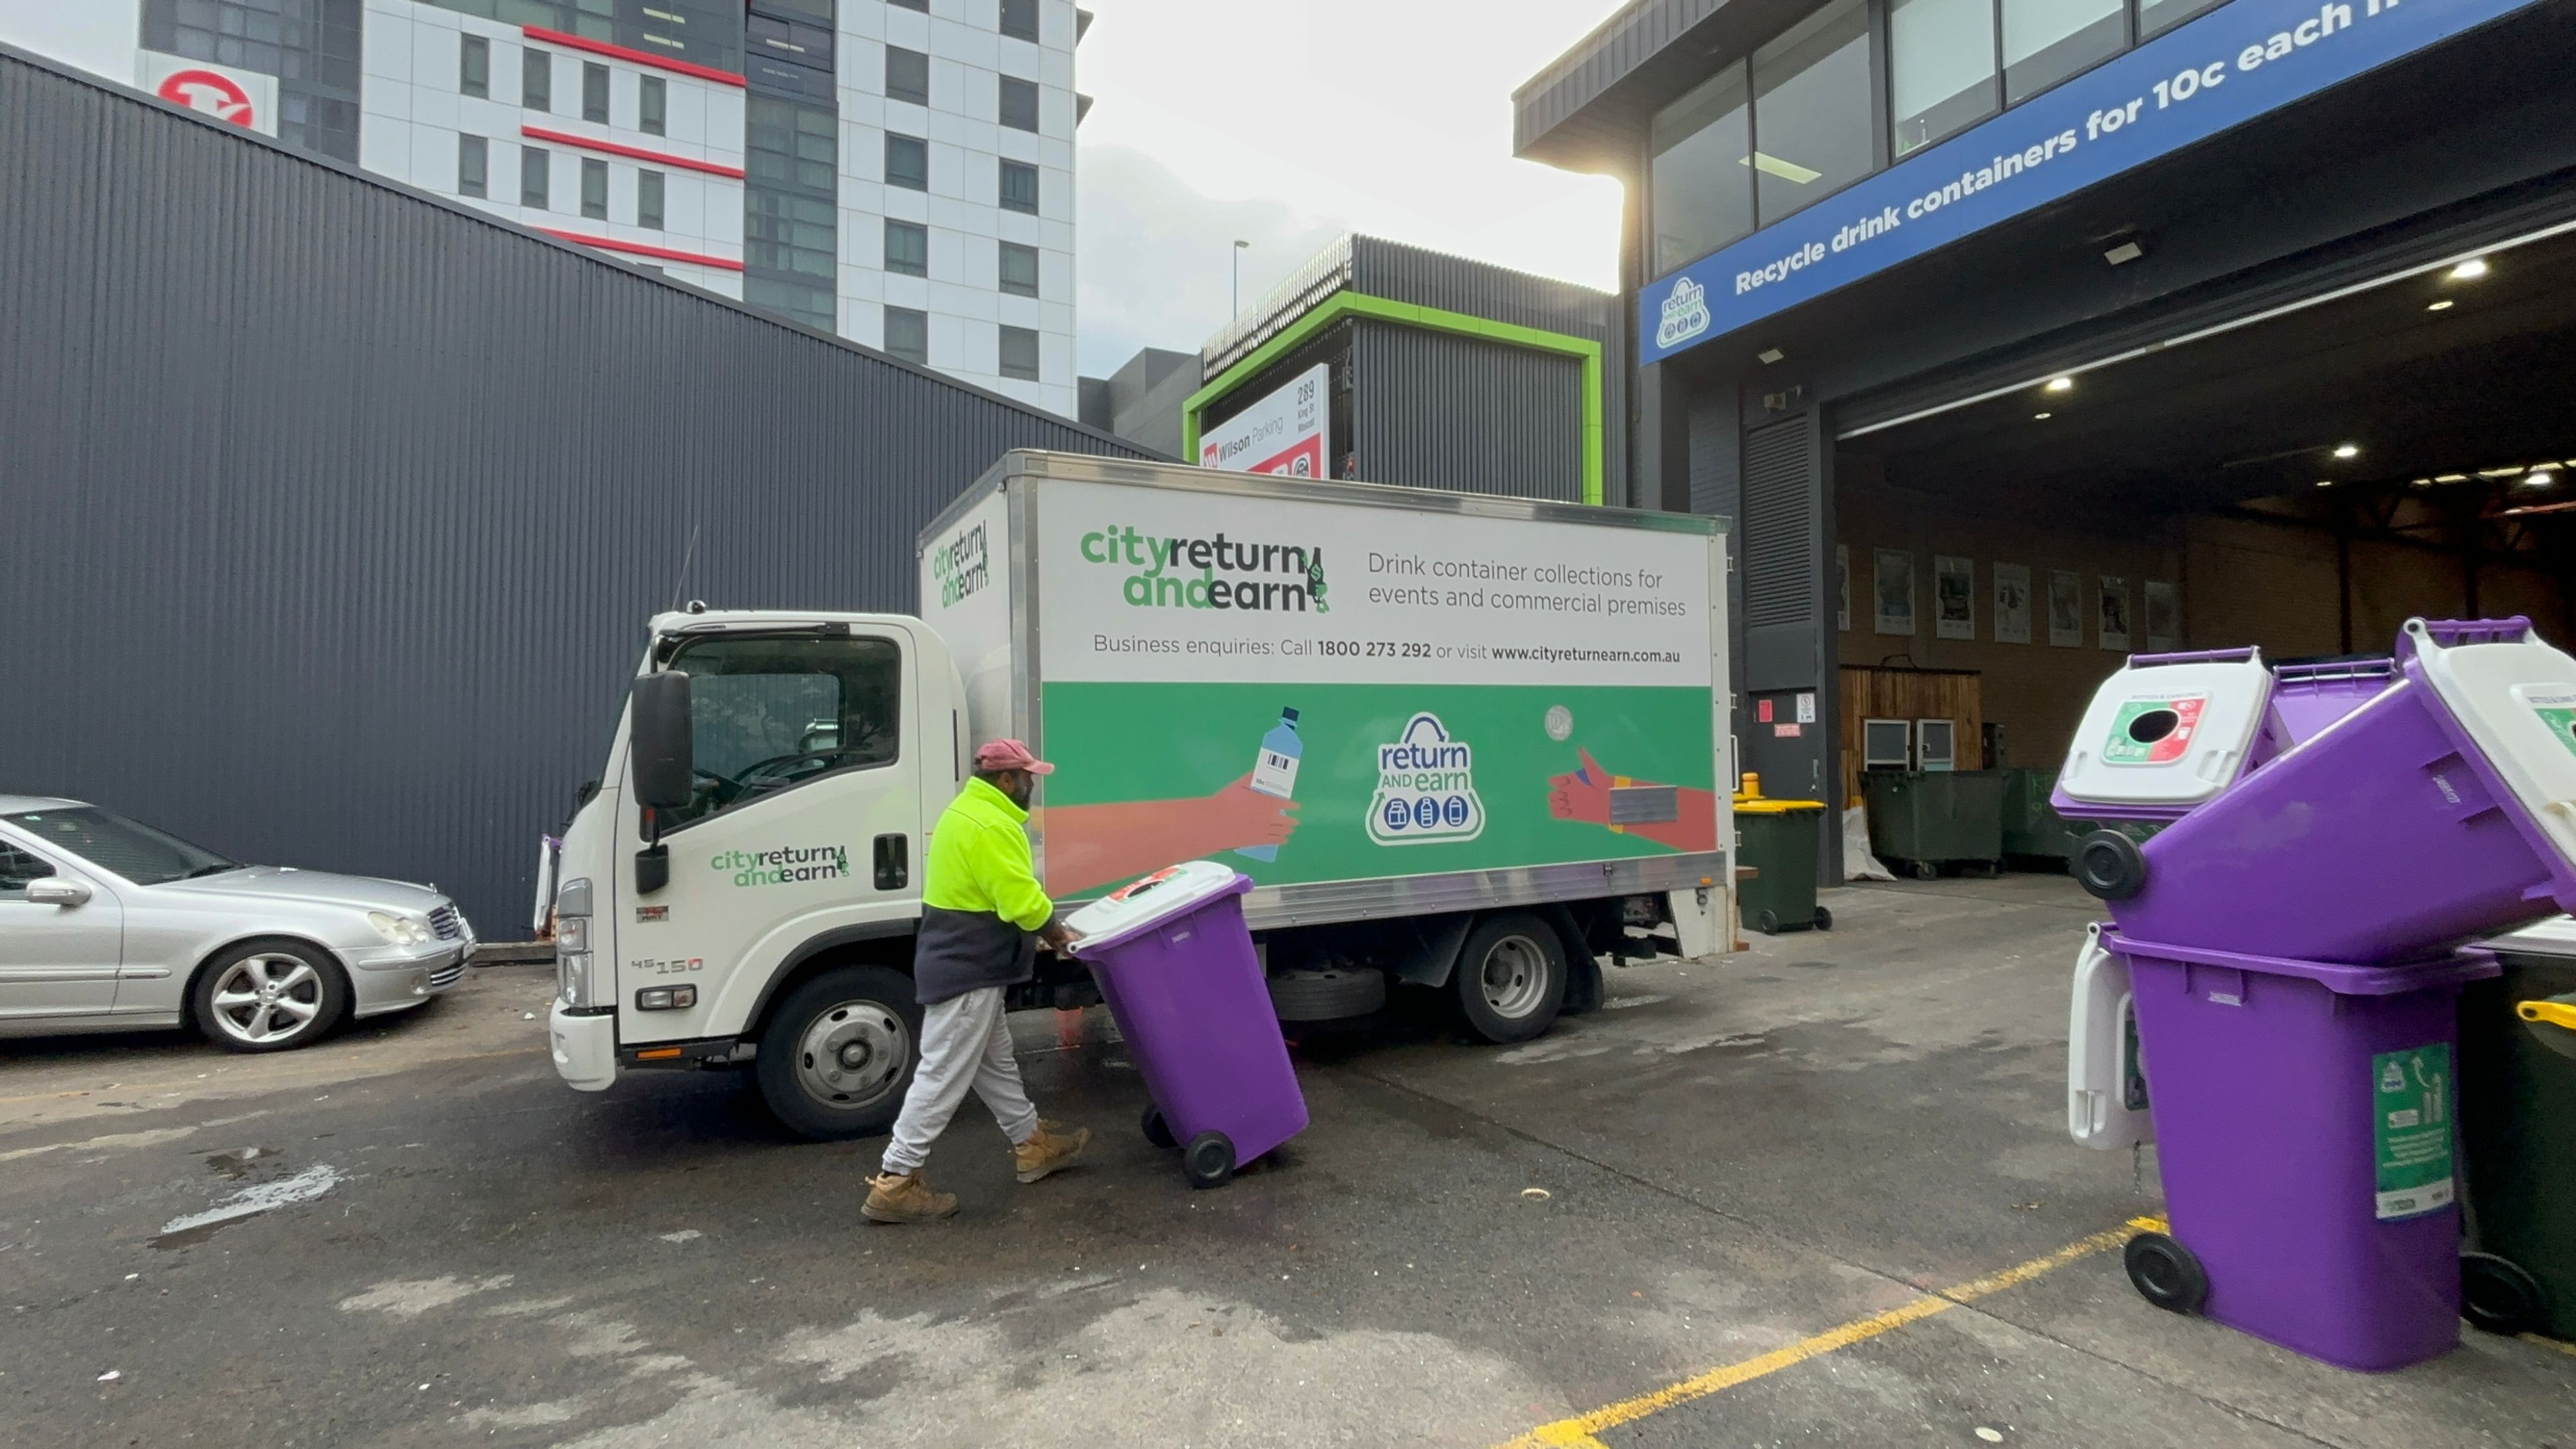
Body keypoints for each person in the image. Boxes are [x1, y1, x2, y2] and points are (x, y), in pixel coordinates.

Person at [864, 739, 1091, 1224]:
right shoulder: (991, 824)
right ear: (1007, 780)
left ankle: (1032, 1144)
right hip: (970, 968)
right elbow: (1020, 900)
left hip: (962, 962)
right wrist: (1059, 935)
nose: (1033, 785)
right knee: (943, 1072)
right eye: (1028, 777)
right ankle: (896, 1180)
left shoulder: (967, 810)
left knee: (996, 1063)